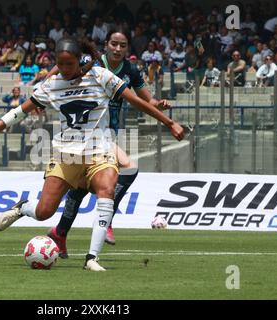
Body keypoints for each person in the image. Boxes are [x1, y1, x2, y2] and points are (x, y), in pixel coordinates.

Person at [0, 37, 185, 271]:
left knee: (106, 190)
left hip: (100, 150)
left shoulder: (100, 76)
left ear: (79, 61)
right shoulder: (51, 85)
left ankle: (91, 258)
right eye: (60, 64)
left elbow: (136, 101)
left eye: (69, 64)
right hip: (66, 155)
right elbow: (19, 112)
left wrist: (169, 123)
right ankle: (23, 207)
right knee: (44, 212)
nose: (64, 70)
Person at [43, 30, 178, 257]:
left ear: (127, 49)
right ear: (106, 45)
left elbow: (147, 99)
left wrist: (159, 105)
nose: (117, 48)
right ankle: (106, 216)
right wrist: (47, 82)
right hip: (84, 134)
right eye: (114, 44)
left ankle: (61, 232)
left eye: (122, 45)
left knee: (81, 188)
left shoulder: (130, 70)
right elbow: (65, 66)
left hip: (106, 134)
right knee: (128, 167)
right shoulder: (93, 63)